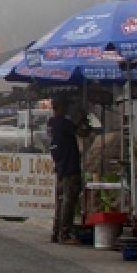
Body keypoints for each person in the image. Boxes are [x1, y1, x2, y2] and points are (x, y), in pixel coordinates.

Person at [48, 102, 86, 243]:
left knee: (60, 201)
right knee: (68, 201)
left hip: (60, 167)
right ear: (60, 108)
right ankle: (65, 234)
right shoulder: (63, 123)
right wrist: (84, 124)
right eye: (65, 107)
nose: (66, 109)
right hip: (69, 167)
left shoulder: (53, 124)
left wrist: (79, 122)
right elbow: (82, 133)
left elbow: (74, 130)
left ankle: (56, 233)